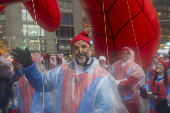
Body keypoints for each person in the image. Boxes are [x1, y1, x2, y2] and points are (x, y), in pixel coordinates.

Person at [12, 31, 128, 113]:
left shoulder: (101, 77)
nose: (80, 51)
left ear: (90, 50)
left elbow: (105, 108)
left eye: (84, 47)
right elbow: (41, 84)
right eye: (76, 48)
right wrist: (29, 65)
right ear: (72, 51)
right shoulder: (62, 71)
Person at [108, 47, 145, 113]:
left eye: (127, 53)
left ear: (129, 55)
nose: (125, 54)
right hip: (118, 95)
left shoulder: (134, 65)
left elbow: (134, 78)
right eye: (123, 53)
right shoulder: (115, 65)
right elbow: (110, 75)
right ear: (121, 54)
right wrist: (113, 83)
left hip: (130, 95)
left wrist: (122, 84)